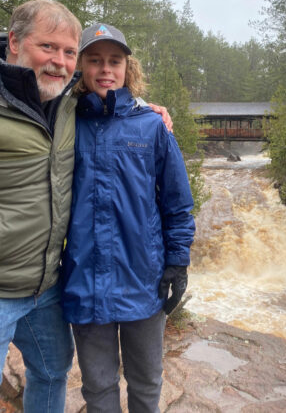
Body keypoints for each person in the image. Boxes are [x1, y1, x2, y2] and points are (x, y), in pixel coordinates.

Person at [0, 0, 172, 412]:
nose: (59, 62)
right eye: (48, 47)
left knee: (51, 372)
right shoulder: (65, 108)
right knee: (92, 383)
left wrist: (149, 109)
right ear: (14, 42)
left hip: (48, 286)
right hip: (19, 284)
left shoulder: (68, 106)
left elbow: (115, 107)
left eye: (67, 52)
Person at [60, 23, 195, 412]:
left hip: (143, 281)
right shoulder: (66, 122)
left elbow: (176, 203)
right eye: (95, 60)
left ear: (127, 67)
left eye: (114, 61)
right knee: (98, 387)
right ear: (80, 66)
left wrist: (178, 260)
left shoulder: (152, 125)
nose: (106, 69)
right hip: (85, 282)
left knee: (147, 382)